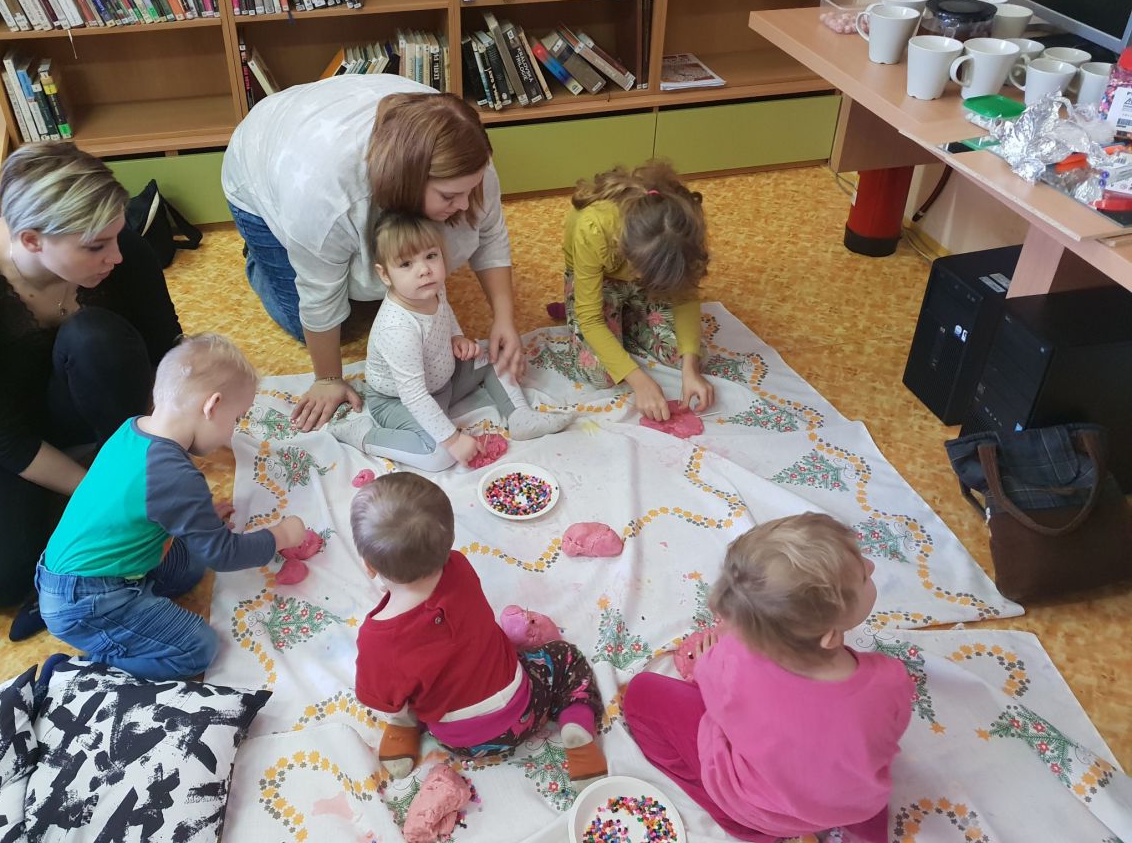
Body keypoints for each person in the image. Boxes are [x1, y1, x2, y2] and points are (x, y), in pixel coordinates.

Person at [0, 143, 182, 640]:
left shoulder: (121, 250)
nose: (116, 255)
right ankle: (87, 489)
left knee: (95, 338)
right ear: (32, 240)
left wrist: (163, 451)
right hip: (17, 426)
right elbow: (2, 435)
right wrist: (105, 499)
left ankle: (108, 464)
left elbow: (166, 350)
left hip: (108, 399)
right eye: (95, 247)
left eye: (116, 236)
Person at [222, 74, 525, 433]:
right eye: (449, 196)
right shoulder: (325, 200)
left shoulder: (470, 162)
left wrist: (504, 318)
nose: (463, 204)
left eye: (468, 191)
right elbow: (319, 297)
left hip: (330, 116)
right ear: (409, 182)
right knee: (328, 323)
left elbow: (490, 235)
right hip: (258, 163)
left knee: (404, 281)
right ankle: (263, 255)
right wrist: (328, 378)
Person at [622, 513, 913, 843]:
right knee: (862, 785)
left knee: (641, 694)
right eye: (863, 574)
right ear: (830, 637)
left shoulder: (728, 661)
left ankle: (746, 826)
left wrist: (707, 661)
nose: (872, 566)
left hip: (761, 807)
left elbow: (712, 693)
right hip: (851, 804)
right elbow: (888, 735)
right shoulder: (891, 681)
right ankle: (862, 831)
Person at [35, 334, 306, 680]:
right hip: (89, 600)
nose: (231, 434)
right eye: (236, 419)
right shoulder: (175, 476)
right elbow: (223, 555)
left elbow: (140, 504)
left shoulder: (132, 428)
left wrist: (201, 518)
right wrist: (281, 535)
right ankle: (85, 670)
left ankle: (133, 611)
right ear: (212, 406)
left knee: (190, 565)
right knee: (198, 648)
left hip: (67, 577)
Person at [351, 473, 607, 785]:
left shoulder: (377, 640)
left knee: (398, 695)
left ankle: (404, 728)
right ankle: (579, 730)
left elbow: (377, 698)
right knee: (566, 657)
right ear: (448, 541)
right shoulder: (459, 567)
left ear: (369, 566)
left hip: (460, 740)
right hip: (524, 712)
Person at [326, 213, 571, 470]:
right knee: (439, 455)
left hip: (443, 382)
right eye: (406, 264)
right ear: (385, 275)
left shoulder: (432, 287)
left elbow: (446, 312)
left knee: (495, 351)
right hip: (397, 401)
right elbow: (414, 395)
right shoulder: (397, 327)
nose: (424, 270)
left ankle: (519, 415)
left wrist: (457, 336)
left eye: (431, 256)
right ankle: (365, 435)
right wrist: (453, 440)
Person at [560, 160, 715, 422]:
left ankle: (628, 321)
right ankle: (625, 320)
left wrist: (691, 369)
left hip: (644, 274)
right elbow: (590, 318)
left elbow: (685, 294)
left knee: (693, 352)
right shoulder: (593, 226)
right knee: (600, 373)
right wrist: (639, 381)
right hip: (600, 282)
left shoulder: (682, 223)